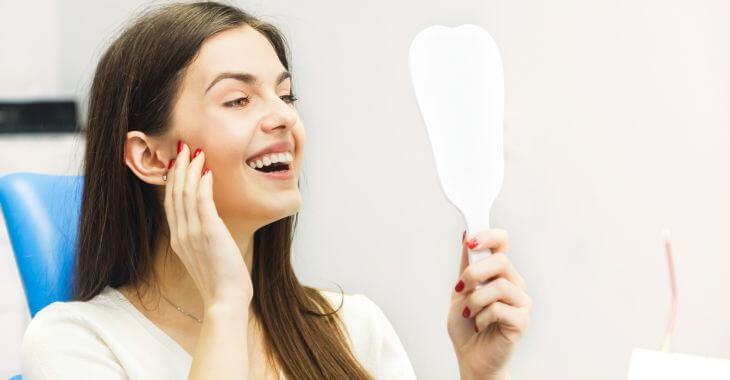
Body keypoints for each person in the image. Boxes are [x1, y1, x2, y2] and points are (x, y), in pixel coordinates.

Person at [20, 2, 531, 379]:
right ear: (150, 157)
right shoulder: (76, 344)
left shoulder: (350, 327)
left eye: (286, 95)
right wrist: (225, 304)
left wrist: (479, 372)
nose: (284, 116)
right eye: (239, 99)